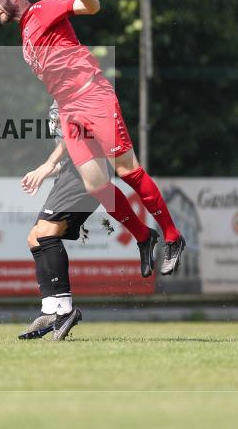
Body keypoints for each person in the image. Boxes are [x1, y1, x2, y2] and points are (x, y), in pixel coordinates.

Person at [0, 0, 185, 284]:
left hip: (92, 96)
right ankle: (145, 236)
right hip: (69, 110)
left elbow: (89, 8)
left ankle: (173, 237)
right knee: (95, 185)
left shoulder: (45, 7)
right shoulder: (25, 30)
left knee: (127, 170)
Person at [17, 101, 159, 341]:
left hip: (83, 174)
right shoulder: (58, 92)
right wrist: (43, 172)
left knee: (46, 234)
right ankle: (51, 309)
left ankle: (64, 310)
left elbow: (76, 137)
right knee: (34, 238)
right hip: (70, 173)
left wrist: (47, 165)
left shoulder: (72, 91)